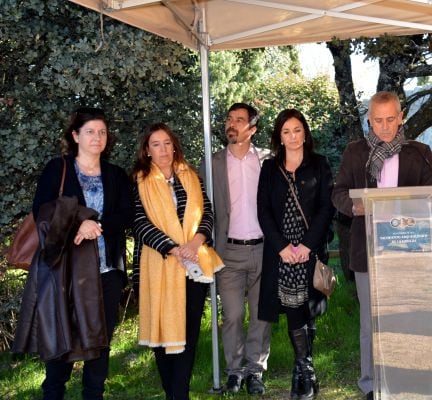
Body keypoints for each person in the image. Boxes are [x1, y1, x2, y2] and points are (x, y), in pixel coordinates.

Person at [14, 107, 132, 400]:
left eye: (102, 132)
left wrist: (96, 225)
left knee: (99, 342)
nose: (97, 137)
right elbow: (42, 209)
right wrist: (79, 222)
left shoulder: (116, 174)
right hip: (66, 271)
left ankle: (94, 394)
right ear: (75, 135)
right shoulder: (58, 168)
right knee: (62, 337)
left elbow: (127, 214)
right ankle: (53, 393)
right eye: (90, 131)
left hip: (107, 271)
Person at [332, 91, 432, 400]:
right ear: (369, 120)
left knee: (406, 318)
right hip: (368, 252)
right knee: (370, 324)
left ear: (401, 117)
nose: (385, 126)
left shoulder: (420, 152)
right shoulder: (355, 152)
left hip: (409, 248)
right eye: (378, 120)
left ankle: (407, 379)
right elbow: (337, 193)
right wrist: (356, 207)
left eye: (391, 119)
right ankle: (371, 385)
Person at [132, 123, 223, 400]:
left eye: (168, 143)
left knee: (189, 334)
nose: (163, 149)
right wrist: (173, 248)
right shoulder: (138, 180)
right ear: (147, 150)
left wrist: (196, 242)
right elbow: (138, 223)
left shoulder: (190, 175)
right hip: (158, 265)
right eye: (156, 144)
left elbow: (207, 212)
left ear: (175, 146)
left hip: (193, 264)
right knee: (162, 334)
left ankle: (179, 393)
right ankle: (172, 392)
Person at [256, 109, 334, 399]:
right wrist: (282, 248)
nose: (292, 136)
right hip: (283, 254)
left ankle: (301, 371)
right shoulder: (269, 168)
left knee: (307, 311)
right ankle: (306, 370)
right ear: (279, 136)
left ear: (305, 132)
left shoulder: (320, 165)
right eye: (286, 131)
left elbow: (327, 208)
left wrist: (307, 246)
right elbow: (262, 209)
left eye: (297, 130)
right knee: (292, 310)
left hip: (309, 252)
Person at [204, 102, 271, 394]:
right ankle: (234, 370)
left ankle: (255, 370)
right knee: (231, 315)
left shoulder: (269, 160)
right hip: (227, 250)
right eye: (229, 119)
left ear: (252, 129)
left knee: (260, 314)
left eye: (239, 120)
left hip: (264, 249)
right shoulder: (213, 162)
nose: (231, 124)